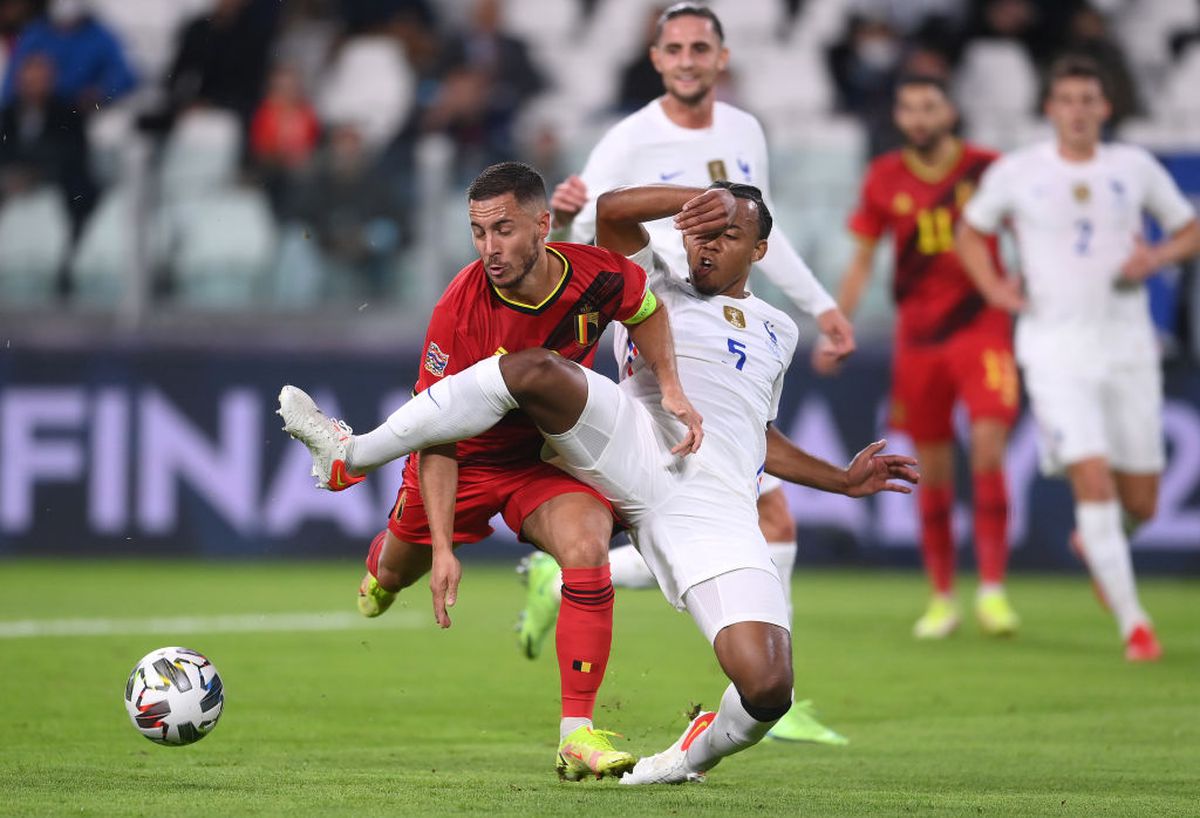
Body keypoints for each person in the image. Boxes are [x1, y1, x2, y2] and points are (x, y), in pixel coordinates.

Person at [279, 180, 918, 783]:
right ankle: (353, 453)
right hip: (632, 436)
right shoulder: (652, 276)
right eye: (703, 228)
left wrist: (840, 479)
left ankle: (685, 757)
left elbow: (756, 436)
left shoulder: (780, 331)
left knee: (768, 687)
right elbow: (613, 210)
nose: (708, 243)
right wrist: (700, 196)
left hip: (711, 508)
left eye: (728, 233)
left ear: (760, 250)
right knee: (533, 370)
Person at [301, 160, 700, 780]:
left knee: (586, 544)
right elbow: (434, 434)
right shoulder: (459, 308)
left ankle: (576, 734)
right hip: (460, 460)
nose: (490, 248)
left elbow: (645, 307)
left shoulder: (595, 276)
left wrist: (670, 386)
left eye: (504, 230)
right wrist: (440, 550)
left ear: (544, 224)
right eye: (478, 232)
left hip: (538, 460)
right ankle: (382, 565)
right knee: (394, 571)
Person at [529, 1, 856, 745]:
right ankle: (774, 691)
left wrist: (821, 304)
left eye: (698, 47)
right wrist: (571, 212)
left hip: (728, 329)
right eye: (672, 47)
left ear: (721, 57)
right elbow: (595, 236)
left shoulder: (745, 132)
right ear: (655, 58)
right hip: (662, 319)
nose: (685, 58)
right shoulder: (629, 138)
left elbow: (763, 224)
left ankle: (765, 683)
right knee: (749, 512)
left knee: (760, 514)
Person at [957, 56, 1200, 662]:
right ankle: (1134, 625)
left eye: (1088, 99)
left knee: (1140, 501)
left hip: (1128, 350)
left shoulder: (1134, 167)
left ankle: (1099, 544)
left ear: (1106, 107)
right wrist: (994, 289)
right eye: (1067, 99)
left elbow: (1190, 228)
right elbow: (970, 231)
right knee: (1091, 477)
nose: (1078, 110)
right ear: (1050, 109)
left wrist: (1156, 258)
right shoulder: (1020, 172)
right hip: (1054, 350)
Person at [815, 74, 1019, 639]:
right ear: (900, 118)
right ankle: (943, 597)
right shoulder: (884, 177)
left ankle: (995, 591)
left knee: (986, 444)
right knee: (932, 467)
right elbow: (861, 260)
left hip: (982, 328)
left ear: (950, 111)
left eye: (929, 106)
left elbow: (1034, 227)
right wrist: (838, 323)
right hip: (919, 338)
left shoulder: (989, 168)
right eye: (909, 108)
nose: (919, 117)